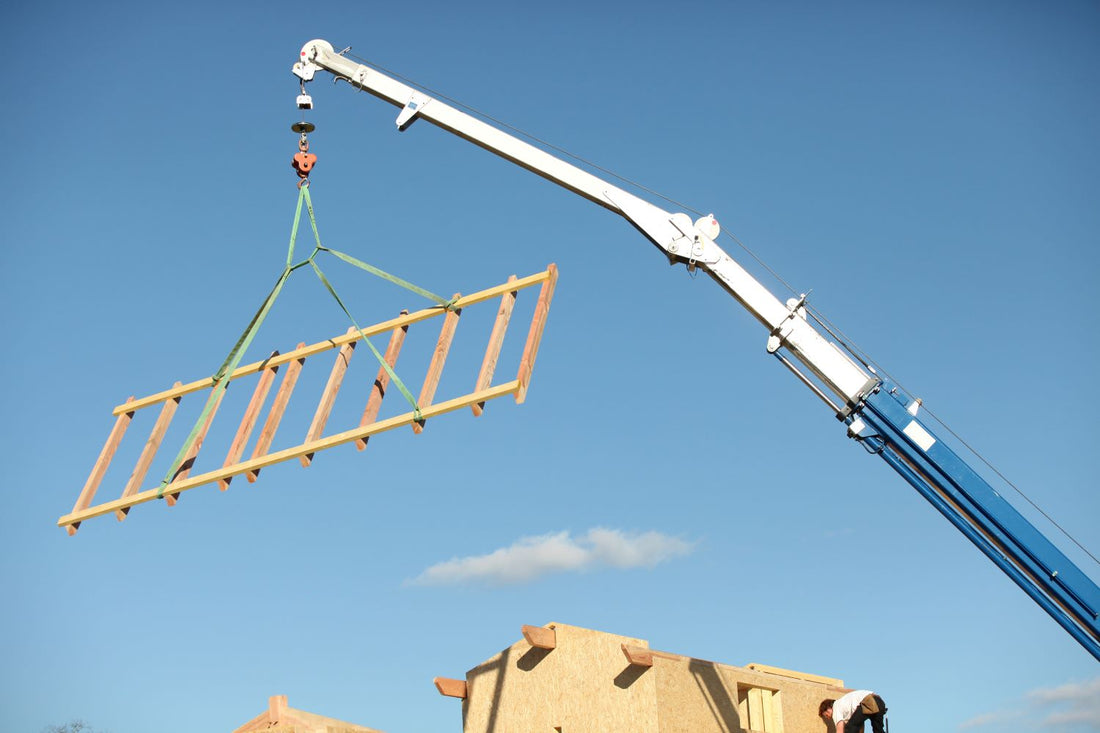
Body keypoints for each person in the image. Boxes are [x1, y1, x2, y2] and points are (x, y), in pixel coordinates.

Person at [819, 690, 888, 733]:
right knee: (878, 730)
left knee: (849, 729)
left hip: (869, 701)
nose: (828, 717)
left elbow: (840, 730)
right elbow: (859, 724)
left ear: (828, 708)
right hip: (879, 703)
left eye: (826, 715)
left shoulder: (836, 706)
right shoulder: (847, 706)